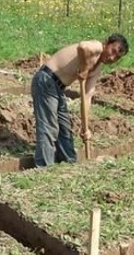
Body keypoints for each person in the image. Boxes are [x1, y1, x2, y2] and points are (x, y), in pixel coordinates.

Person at [31, 33, 129, 167]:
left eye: (117, 57)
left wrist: (85, 127)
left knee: (64, 128)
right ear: (106, 43)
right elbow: (82, 46)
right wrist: (84, 68)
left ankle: (70, 163)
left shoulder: (97, 69)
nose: (112, 57)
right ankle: (44, 167)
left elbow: (87, 96)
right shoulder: (96, 47)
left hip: (58, 88)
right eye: (112, 51)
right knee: (49, 126)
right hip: (46, 79)